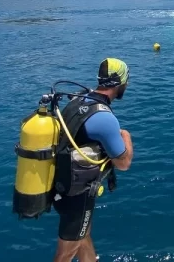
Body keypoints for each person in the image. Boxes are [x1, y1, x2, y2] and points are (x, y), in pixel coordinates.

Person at [52, 58, 135, 262]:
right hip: (77, 194)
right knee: (66, 253)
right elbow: (123, 163)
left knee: (83, 235)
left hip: (61, 184)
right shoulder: (104, 118)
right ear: (120, 83)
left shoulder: (79, 100)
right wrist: (126, 135)